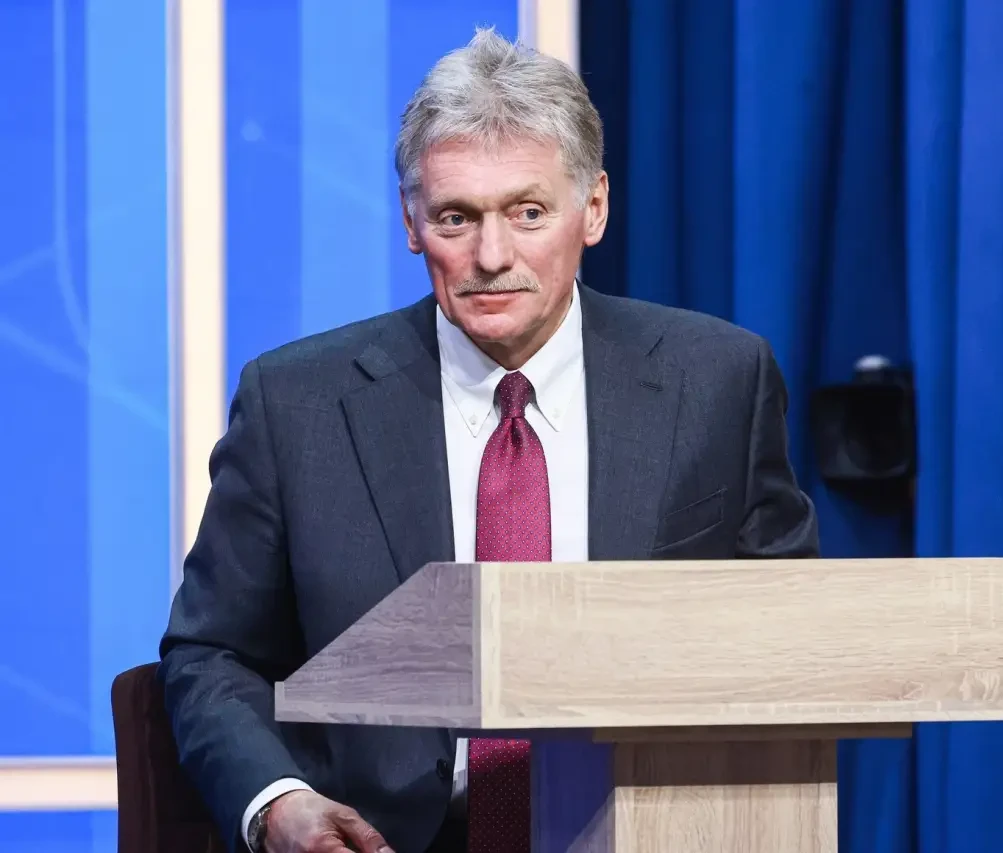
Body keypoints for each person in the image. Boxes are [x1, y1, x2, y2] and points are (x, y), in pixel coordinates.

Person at [158, 27, 819, 853]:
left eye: (527, 212)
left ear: (594, 208)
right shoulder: (296, 404)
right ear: (411, 222)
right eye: (456, 218)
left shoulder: (717, 379)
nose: (491, 255)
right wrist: (277, 802)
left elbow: (794, 630)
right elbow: (211, 652)